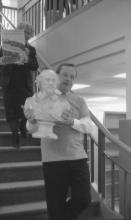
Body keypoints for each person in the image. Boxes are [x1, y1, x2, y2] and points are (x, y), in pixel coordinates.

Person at [24, 63, 93, 220]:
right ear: (56, 77)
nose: (68, 79)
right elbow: (31, 129)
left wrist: (72, 122)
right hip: (52, 160)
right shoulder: (40, 98)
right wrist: (32, 120)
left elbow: (89, 126)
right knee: (55, 205)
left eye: (72, 76)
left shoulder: (79, 100)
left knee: (83, 199)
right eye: (65, 75)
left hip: (77, 158)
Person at [1, 22, 39, 148]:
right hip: (9, 84)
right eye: (25, 32)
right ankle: (14, 136)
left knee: (26, 110)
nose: (28, 35)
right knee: (11, 112)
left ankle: (23, 126)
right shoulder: (6, 45)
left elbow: (35, 66)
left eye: (30, 33)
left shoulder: (31, 49)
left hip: (25, 85)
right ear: (18, 32)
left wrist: (28, 56)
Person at [24, 69, 70, 139]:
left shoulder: (64, 104)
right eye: (47, 80)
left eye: (53, 80)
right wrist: (32, 121)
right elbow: (30, 126)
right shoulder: (30, 102)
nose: (51, 83)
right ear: (40, 82)